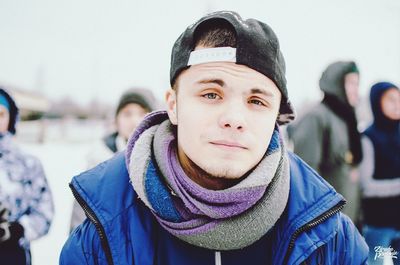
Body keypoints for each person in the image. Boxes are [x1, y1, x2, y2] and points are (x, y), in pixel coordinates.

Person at [60, 11, 368, 264]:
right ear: (174, 105)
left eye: (257, 102)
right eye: (211, 94)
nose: (234, 119)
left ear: (277, 116)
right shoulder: (101, 236)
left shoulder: (331, 240)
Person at [69, 88, 157, 231]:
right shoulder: (98, 161)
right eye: (127, 114)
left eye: (142, 113)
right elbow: (80, 220)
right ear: (116, 120)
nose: (134, 120)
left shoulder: (163, 162)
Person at [287, 61, 363, 223]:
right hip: (327, 223)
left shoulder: (346, 119)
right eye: (351, 83)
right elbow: (307, 176)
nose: (356, 89)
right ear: (335, 84)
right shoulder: (317, 117)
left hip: (348, 221)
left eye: (358, 83)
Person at [0, 88, 54, 265]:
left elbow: (44, 211)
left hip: (13, 256)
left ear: (11, 119)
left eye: (1, 114)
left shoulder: (28, 164)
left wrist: (18, 230)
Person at [359, 82, 400, 265]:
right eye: (390, 99)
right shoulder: (368, 137)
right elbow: (366, 186)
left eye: (399, 99)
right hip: (378, 224)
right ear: (377, 102)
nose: (397, 104)